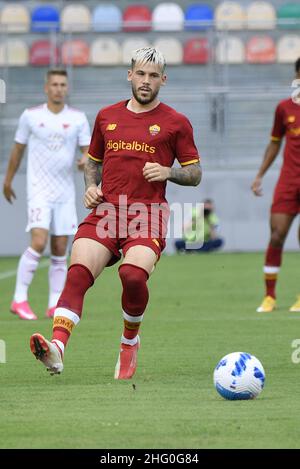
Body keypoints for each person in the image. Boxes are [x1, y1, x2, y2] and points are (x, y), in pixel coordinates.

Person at [29, 47, 202, 379]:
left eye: (153, 75)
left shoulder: (176, 122)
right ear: (129, 75)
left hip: (147, 213)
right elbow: (93, 162)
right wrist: (91, 187)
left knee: (133, 275)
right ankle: (56, 349)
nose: (146, 81)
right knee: (78, 272)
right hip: (107, 211)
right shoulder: (106, 116)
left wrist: (169, 173)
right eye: (140, 73)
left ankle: (129, 341)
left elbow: (195, 174)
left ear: (163, 80)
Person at [3, 69, 91, 320]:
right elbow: (17, 150)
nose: (59, 88)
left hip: (64, 191)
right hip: (39, 190)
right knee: (39, 241)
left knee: (60, 247)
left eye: (63, 84)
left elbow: (89, 153)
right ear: (46, 88)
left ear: (67, 88)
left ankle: (54, 303)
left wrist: (84, 161)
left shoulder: (77, 118)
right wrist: (8, 181)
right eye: (54, 84)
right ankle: (19, 299)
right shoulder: (31, 116)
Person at [251, 57, 300, 313]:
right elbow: (274, 143)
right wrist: (260, 174)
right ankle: (270, 296)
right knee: (277, 234)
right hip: (289, 180)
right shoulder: (284, 108)